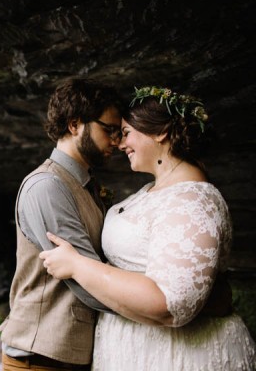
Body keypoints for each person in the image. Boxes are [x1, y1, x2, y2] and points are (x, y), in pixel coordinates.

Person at [39, 86, 256, 370]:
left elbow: (170, 304)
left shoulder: (192, 201)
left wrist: (77, 266)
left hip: (178, 354)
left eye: (126, 133)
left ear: (160, 133)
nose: (119, 143)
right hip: (133, 348)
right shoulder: (150, 190)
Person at [0, 78, 125, 370]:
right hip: (41, 356)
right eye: (109, 130)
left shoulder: (82, 183)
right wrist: (159, 303)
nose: (116, 142)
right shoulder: (47, 186)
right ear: (74, 124)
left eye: (119, 133)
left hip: (65, 355)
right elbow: (86, 283)